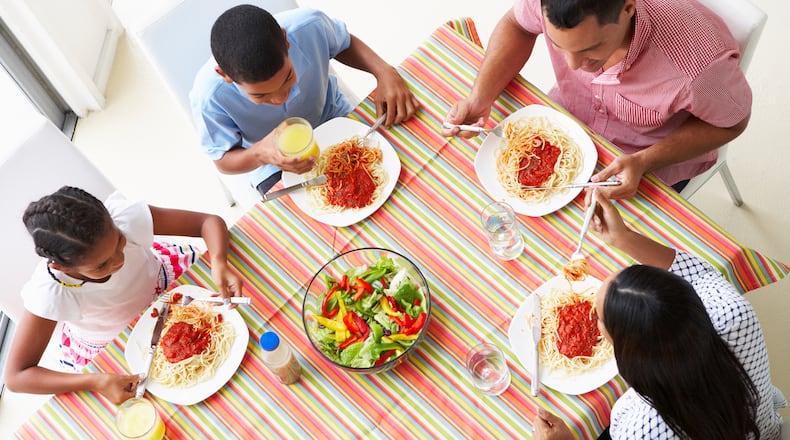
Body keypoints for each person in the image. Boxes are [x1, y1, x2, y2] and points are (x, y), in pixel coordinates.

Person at [532, 192, 784, 439]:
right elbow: (699, 275)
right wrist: (623, 237)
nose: (593, 318)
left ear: (630, 353)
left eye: (598, 317)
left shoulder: (639, 431)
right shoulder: (735, 314)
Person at [442, 0, 751, 198]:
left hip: (643, 160)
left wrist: (645, 161)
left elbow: (732, 123)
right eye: (558, 46)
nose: (574, 66)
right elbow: (517, 25)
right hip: (568, 118)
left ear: (628, 8)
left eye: (590, 49)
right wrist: (481, 98)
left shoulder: (697, 67)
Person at [4, 186, 243, 405]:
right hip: (114, 339)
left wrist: (218, 262)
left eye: (120, 241)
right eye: (101, 265)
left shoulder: (123, 219)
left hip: (166, 285)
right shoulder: (53, 291)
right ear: (63, 268)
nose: (120, 259)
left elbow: (207, 223)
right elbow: (17, 377)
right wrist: (96, 381)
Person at [191, 5, 420, 195]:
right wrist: (261, 153)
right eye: (260, 95)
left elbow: (344, 43)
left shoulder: (310, 25)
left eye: (288, 78)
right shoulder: (209, 97)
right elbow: (222, 159)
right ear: (225, 76)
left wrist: (384, 72)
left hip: (332, 115)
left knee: (397, 166)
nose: (281, 98)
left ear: (286, 40)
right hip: (273, 161)